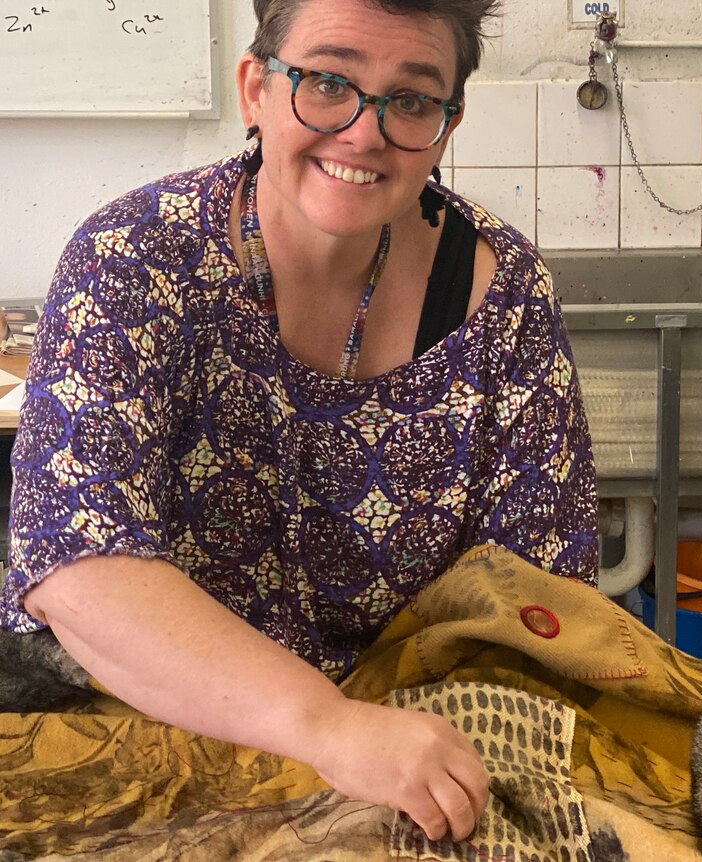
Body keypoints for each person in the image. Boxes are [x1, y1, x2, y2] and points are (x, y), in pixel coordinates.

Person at [0, 0, 598, 843]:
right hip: (145, 719)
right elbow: (78, 567)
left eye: (411, 99)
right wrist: (325, 724)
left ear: (448, 122)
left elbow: (543, 588)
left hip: (407, 739)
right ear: (254, 87)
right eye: (326, 83)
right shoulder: (133, 258)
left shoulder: (501, 292)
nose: (363, 132)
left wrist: (402, 736)